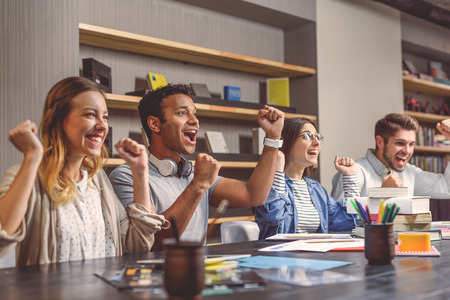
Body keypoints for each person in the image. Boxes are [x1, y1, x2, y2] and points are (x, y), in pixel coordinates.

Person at [0, 77, 168, 267]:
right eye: (90, 115)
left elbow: (138, 244)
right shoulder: (24, 176)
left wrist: (140, 171)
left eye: (105, 117)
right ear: (58, 120)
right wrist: (32, 156)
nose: (103, 126)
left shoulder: (98, 181)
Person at [109, 84, 285, 249]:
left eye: (195, 114)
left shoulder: (193, 174)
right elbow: (153, 242)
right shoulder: (127, 176)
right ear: (155, 124)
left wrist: (272, 138)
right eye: (182, 113)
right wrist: (198, 185)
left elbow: (253, 195)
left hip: (195, 274)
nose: (194, 121)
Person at [254, 117, 358, 239]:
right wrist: (277, 170)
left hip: (315, 256)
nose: (317, 143)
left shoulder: (317, 189)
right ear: (287, 141)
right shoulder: (268, 185)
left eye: (317, 137)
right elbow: (273, 216)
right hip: (281, 256)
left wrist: (350, 177)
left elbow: (349, 220)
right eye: (307, 136)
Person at [331, 113, 450, 200]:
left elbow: (447, 188)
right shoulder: (351, 173)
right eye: (400, 143)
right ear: (380, 142)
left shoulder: (411, 173)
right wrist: (382, 194)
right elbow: (340, 223)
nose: (407, 151)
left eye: (411, 144)